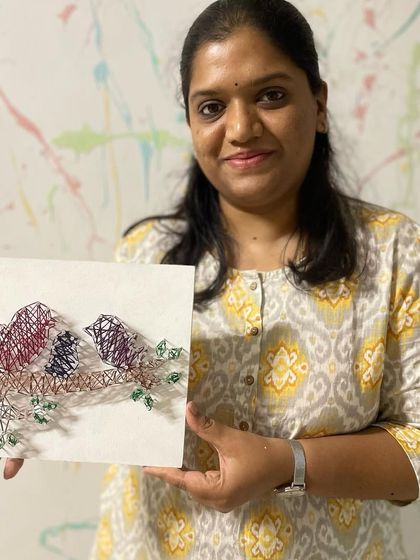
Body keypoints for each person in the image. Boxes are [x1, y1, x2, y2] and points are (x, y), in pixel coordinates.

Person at [5, 1, 419, 558]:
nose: (241, 128)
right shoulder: (144, 256)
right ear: (191, 123)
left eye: (271, 95)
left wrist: (286, 464)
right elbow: (84, 387)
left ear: (318, 103)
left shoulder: (393, 252)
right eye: (212, 106)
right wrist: (32, 410)